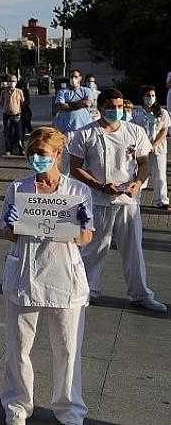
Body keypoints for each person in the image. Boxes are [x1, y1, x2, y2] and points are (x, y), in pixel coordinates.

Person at [0, 127, 94, 425]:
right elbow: (7, 233)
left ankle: (69, 410)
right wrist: (13, 224)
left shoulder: (79, 191)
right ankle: (17, 406)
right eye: (32, 154)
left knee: (67, 349)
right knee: (18, 348)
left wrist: (82, 227)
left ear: (57, 154)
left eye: (42, 154)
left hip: (65, 276)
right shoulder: (18, 188)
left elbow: (86, 238)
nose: (37, 160)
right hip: (25, 274)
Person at [68, 88, 167, 313]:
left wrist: (138, 183)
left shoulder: (135, 131)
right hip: (99, 200)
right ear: (101, 108)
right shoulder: (85, 133)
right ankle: (86, 291)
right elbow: (75, 168)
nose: (115, 110)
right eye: (111, 107)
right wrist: (100, 186)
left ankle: (140, 294)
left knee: (133, 249)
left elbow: (143, 163)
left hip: (128, 201)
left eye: (119, 106)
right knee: (94, 249)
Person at [133, 86, 170, 209]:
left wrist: (153, 145)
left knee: (159, 174)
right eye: (148, 95)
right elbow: (133, 130)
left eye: (153, 95)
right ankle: (135, 197)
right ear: (143, 97)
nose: (150, 98)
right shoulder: (136, 112)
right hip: (141, 149)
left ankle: (162, 200)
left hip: (158, 148)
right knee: (140, 174)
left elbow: (164, 131)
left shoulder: (162, 112)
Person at [53, 69, 93, 134]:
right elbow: (60, 106)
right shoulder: (62, 92)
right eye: (71, 77)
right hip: (66, 129)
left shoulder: (86, 90)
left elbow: (86, 104)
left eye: (75, 77)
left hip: (83, 127)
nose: (73, 79)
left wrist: (68, 105)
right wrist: (80, 103)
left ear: (80, 78)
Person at [1, 75, 25, 156]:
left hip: (17, 115)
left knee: (19, 133)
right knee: (7, 133)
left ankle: (21, 149)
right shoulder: (4, 92)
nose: (12, 83)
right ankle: (8, 149)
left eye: (13, 81)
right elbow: (2, 102)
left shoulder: (19, 92)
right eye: (10, 81)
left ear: (16, 82)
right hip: (6, 115)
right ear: (7, 82)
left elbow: (22, 103)